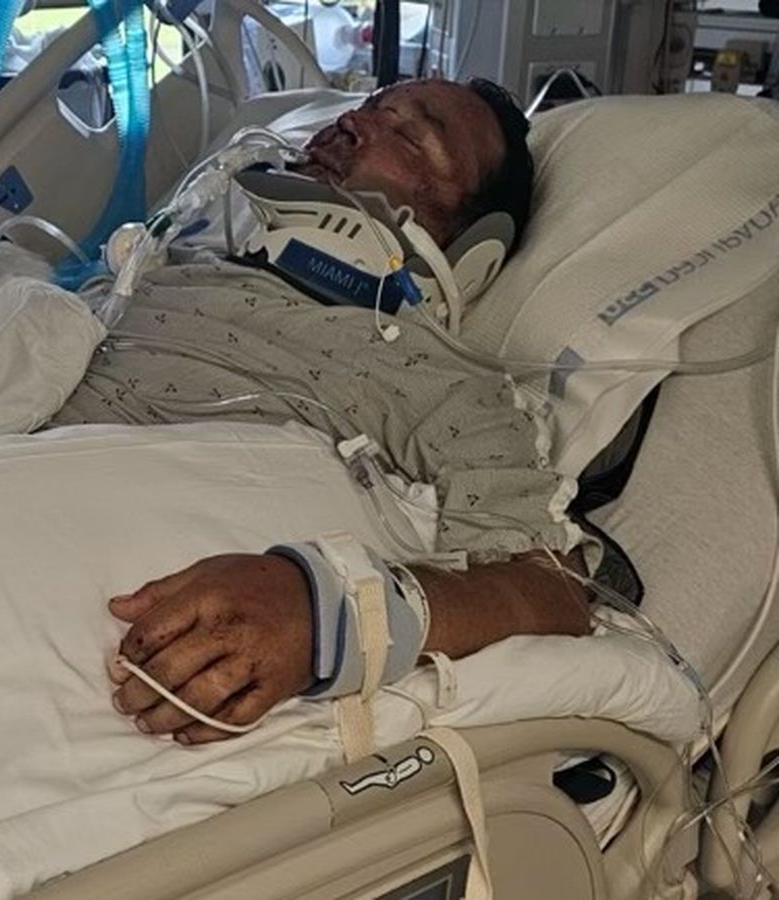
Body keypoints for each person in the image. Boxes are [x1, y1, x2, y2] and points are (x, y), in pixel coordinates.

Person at [48, 77, 601, 745]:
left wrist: (330, 614)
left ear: (472, 248)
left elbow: (551, 589)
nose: (352, 125)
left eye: (409, 135)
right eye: (365, 110)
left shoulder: (435, 379)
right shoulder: (158, 273)